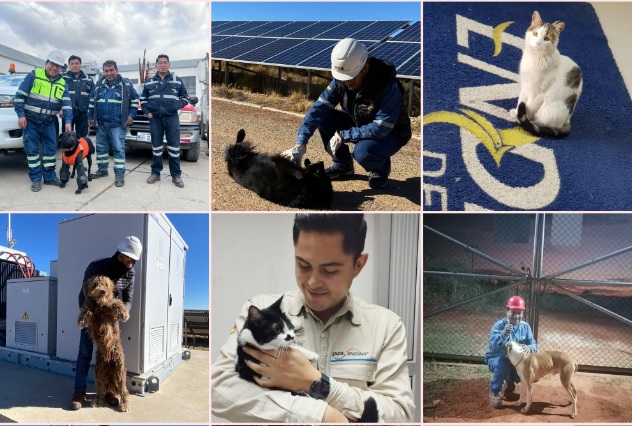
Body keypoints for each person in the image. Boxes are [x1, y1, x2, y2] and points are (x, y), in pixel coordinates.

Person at [212, 213, 414, 423]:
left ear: (358, 265)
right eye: (304, 266)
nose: (313, 282)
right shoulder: (259, 309)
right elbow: (218, 388)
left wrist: (318, 384)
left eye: (329, 270)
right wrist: (322, 416)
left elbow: (399, 415)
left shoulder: (386, 326)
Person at [281, 38, 412, 190]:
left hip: (391, 133)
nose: (347, 83)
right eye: (342, 79)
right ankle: (343, 166)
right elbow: (318, 110)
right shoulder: (342, 79)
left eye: (351, 78)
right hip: (360, 123)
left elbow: (381, 127)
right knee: (326, 117)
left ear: (365, 68)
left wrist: (344, 135)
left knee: (363, 151)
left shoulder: (387, 85)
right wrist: (300, 143)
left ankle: (381, 168)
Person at [70, 236, 143, 410]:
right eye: (121, 258)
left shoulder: (130, 274)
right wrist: (87, 315)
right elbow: (84, 294)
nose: (125, 263)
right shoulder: (96, 266)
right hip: (92, 314)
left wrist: (119, 314)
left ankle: (110, 391)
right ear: (116, 253)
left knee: (111, 357)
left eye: (129, 261)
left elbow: (128, 300)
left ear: (133, 263)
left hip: (111, 318)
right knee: (85, 352)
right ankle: (79, 392)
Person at [14, 50, 73, 192]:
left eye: (58, 66)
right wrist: (21, 115)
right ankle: (35, 179)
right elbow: (19, 97)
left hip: (49, 122)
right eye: (52, 64)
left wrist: (68, 120)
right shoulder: (34, 75)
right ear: (46, 63)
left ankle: (50, 177)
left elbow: (66, 103)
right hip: (31, 121)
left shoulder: (62, 82)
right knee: (32, 151)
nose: (54, 68)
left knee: (51, 151)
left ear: (61, 68)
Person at [87, 60, 139, 187]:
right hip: (101, 124)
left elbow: (135, 100)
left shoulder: (125, 85)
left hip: (117, 124)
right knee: (101, 149)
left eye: (111, 70)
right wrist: (90, 116)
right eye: (106, 71)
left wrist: (131, 115)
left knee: (118, 149)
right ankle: (102, 170)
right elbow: (92, 102)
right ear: (103, 71)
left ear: (117, 70)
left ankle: (120, 174)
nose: (109, 73)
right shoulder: (99, 84)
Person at [141, 54, 190, 188]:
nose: (162, 65)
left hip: (171, 118)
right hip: (155, 119)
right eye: (160, 62)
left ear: (169, 64)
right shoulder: (149, 82)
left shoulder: (177, 81)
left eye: (165, 62)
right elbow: (143, 100)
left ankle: (176, 175)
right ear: (156, 65)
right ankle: (155, 173)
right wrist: (148, 113)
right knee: (156, 147)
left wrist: (174, 106)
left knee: (174, 148)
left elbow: (185, 98)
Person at [485, 295, 538, 409]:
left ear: (523, 313)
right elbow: (492, 348)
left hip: (515, 361)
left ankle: (509, 383)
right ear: (507, 310)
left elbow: (533, 345)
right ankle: (495, 392)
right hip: (497, 358)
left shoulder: (525, 327)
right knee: (504, 363)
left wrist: (530, 348)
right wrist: (503, 335)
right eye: (513, 312)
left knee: (532, 368)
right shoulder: (499, 326)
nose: (516, 316)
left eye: (519, 313)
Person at [64, 55, 94, 138]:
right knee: (67, 138)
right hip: (68, 113)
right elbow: (58, 96)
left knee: (82, 138)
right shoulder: (63, 79)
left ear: (80, 65)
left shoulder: (88, 80)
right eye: (72, 63)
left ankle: (81, 151)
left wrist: (90, 114)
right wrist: (60, 109)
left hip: (83, 113)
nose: (74, 65)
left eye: (77, 63)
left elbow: (93, 97)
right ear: (69, 65)